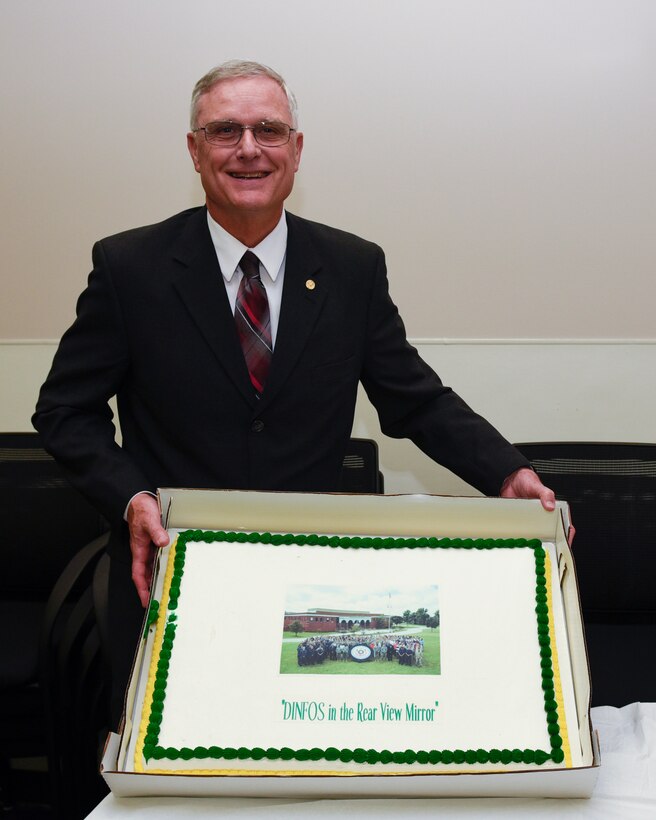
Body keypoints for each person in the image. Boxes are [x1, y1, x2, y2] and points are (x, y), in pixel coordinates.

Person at [33, 59, 554, 725]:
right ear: (194, 151)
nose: (248, 148)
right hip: (170, 575)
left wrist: (506, 471)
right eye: (225, 131)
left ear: (296, 149)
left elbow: (414, 398)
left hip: (305, 584)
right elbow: (63, 412)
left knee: (294, 754)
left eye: (268, 131)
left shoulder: (351, 267)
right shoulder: (129, 267)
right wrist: (130, 496)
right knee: (174, 765)